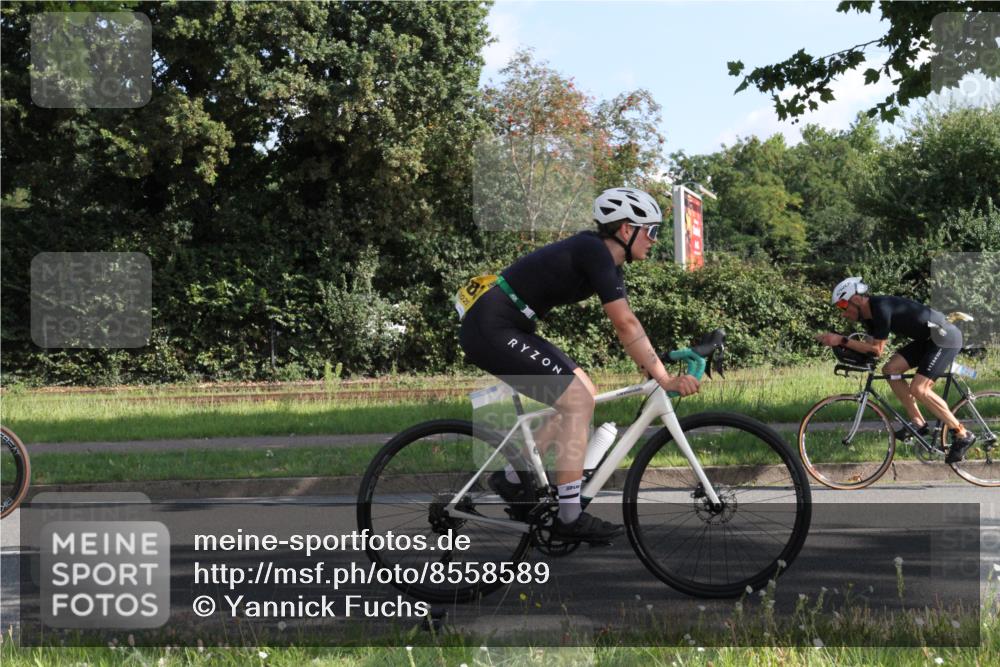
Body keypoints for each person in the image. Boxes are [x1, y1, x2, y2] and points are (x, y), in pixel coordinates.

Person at [458, 187, 699, 543]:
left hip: (508, 324)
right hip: (491, 326)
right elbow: (625, 325)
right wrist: (663, 378)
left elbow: (628, 327)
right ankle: (569, 516)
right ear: (624, 229)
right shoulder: (594, 251)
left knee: (582, 393)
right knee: (577, 402)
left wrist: (654, 362)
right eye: (651, 230)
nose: (654, 240)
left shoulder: (606, 262)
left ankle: (512, 478)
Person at [816, 277, 976, 463]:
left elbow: (877, 349)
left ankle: (962, 434)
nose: (843, 313)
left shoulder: (881, 308)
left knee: (920, 389)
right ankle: (918, 423)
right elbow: (871, 349)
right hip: (928, 340)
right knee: (890, 369)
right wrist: (845, 349)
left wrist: (842, 340)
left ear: (857, 299)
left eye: (843, 305)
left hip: (945, 338)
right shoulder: (868, 318)